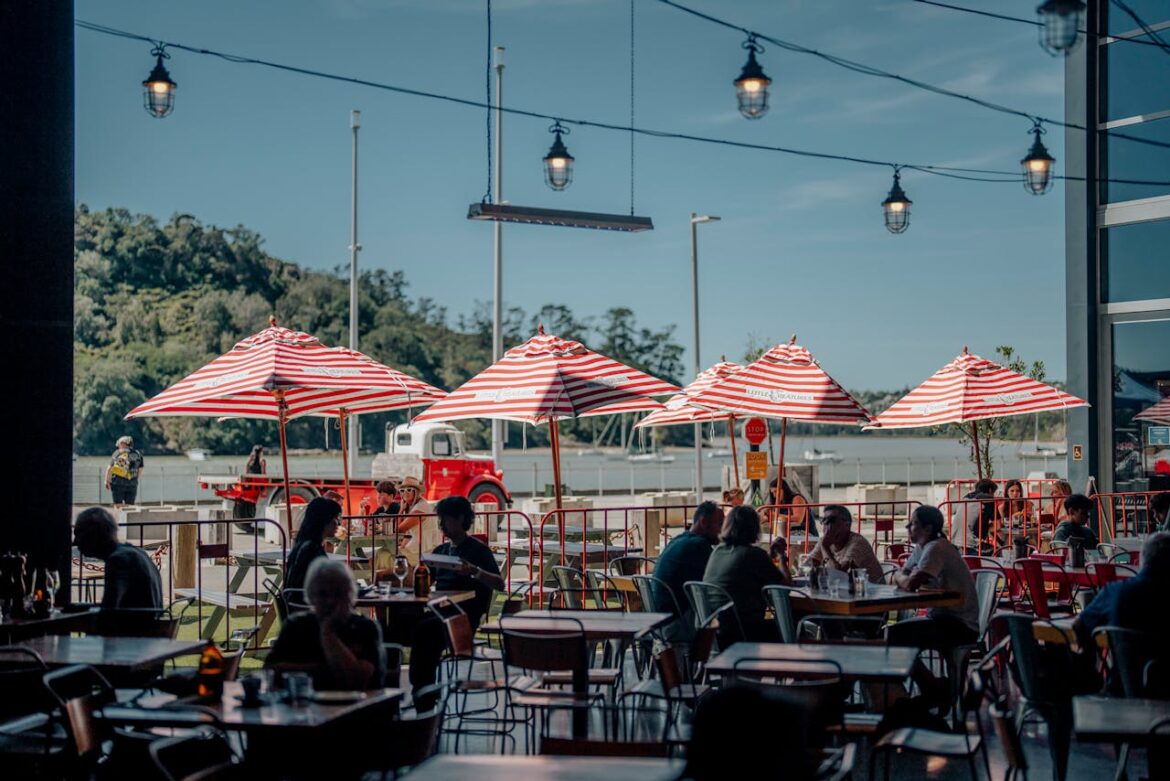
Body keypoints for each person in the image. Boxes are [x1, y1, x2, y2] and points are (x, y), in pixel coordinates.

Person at [407, 496, 503, 699]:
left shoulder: (478, 551)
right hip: (439, 610)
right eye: (440, 520)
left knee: (424, 631)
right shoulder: (440, 551)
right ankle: (398, 691)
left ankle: (424, 695)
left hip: (464, 619)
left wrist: (475, 571)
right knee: (394, 626)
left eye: (446, 520)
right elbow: (421, 582)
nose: (441, 525)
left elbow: (499, 584)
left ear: (461, 520)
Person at [889, 505, 979, 704]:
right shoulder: (923, 548)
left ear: (927, 529)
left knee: (894, 637)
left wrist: (899, 577)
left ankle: (931, 688)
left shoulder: (936, 548)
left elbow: (910, 582)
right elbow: (904, 573)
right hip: (942, 618)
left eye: (912, 524)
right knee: (895, 634)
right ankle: (933, 687)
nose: (907, 527)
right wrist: (901, 576)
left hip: (959, 624)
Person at [265, 558, 385, 690]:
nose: (330, 601)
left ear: (350, 595)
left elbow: (359, 680)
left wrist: (328, 633)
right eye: (323, 594)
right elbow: (270, 672)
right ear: (311, 596)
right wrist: (332, 670)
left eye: (338, 593)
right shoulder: (296, 626)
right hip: (303, 707)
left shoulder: (365, 628)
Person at [1074, 532, 1170, 693]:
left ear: (1141, 560)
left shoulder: (1115, 592)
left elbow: (1079, 626)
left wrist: (1093, 658)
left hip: (1122, 690)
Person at [702, 505, 790, 641]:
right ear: (754, 528)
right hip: (743, 632)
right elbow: (784, 587)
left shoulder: (718, 552)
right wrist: (781, 557)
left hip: (715, 631)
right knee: (792, 626)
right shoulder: (752, 554)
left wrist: (768, 557)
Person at [73, 507, 162, 610]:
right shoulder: (137, 553)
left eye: (79, 534)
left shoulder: (118, 560)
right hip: (146, 624)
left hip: (133, 625)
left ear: (93, 535)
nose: (75, 542)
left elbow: (109, 609)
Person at [655, 501, 724, 616]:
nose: (723, 530)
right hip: (678, 623)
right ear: (704, 522)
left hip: (659, 620)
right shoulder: (698, 546)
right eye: (720, 524)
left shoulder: (678, 540)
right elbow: (717, 584)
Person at [805, 505, 883, 583]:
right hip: (846, 591)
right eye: (824, 520)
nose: (828, 526)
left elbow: (840, 575)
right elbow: (806, 567)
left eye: (832, 520)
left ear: (847, 525)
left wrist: (825, 547)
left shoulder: (858, 542)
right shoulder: (824, 541)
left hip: (873, 591)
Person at [284, 497, 341, 597]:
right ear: (324, 520)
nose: (338, 523)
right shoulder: (312, 550)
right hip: (309, 608)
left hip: (296, 607)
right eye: (335, 518)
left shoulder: (302, 545)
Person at [394, 476, 439, 565]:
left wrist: (401, 510)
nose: (405, 493)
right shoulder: (414, 506)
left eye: (409, 490)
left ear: (416, 492)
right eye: (402, 490)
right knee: (386, 553)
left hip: (425, 550)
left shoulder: (420, 508)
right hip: (419, 546)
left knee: (387, 556)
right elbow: (407, 533)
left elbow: (399, 530)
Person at [958, 478, 998, 555]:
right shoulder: (988, 499)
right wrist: (987, 527)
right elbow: (998, 526)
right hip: (973, 545)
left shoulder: (966, 497)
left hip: (958, 543)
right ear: (990, 490)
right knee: (997, 551)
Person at [104, 435, 144, 506]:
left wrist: (107, 481)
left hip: (118, 484)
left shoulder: (118, 452)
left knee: (118, 506)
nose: (118, 447)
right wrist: (134, 480)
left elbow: (110, 468)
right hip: (132, 484)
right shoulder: (138, 454)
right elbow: (140, 469)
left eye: (119, 444)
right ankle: (128, 517)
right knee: (130, 507)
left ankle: (119, 516)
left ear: (123, 443)